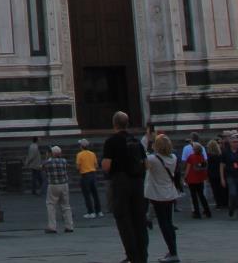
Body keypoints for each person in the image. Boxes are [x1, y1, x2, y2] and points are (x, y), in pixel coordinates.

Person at [102, 111, 148, 263]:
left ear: (114, 124)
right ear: (127, 124)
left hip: (121, 183)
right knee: (139, 220)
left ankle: (133, 257)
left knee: (124, 221)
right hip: (138, 183)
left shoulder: (111, 141)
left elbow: (106, 166)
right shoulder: (136, 141)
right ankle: (143, 257)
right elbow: (146, 164)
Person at [145, 135, 180, 263]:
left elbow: (144, 166)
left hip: (157, 195)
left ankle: (173, 252)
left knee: (164, 224)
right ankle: (173, 251)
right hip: (170, 193)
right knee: (169, 223)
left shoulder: (152, 159)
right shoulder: (174, 158)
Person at [42, 145, 74, 233]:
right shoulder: (64, 161)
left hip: (53, 185)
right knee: (66, 206)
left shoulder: (48, 162)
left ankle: (52, 227)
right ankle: (69, 226)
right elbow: (68, 166)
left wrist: (47, 157)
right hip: (64, 184)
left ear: (52, 153)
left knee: (51, 205)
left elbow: (42, 167)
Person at [222, 136, 238, 218]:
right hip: (230, 175)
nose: (236, 143)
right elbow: (222, 165)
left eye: (237, 142)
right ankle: (232, 207)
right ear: (230, 143)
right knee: (233, 193)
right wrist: (222, 178)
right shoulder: (225, 152)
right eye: (234, 142)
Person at [184, 136, 210, 218]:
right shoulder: (202, 156)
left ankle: (197, 212)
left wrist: (185, 176)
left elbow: (188, 168)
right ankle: (207, 211)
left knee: (194, 196)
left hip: (192, 179)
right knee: (201, 195)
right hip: (200, 178)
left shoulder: (191, 157)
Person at [75, 138, 101, 219]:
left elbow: (78, 167)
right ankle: (99, 211)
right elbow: (96, 165)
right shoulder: (92, 154)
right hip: (93, 174)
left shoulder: (79, 154)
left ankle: (91, 212)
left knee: (87, 195)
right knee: (95, 194)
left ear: (81, 146)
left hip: (85, 175)